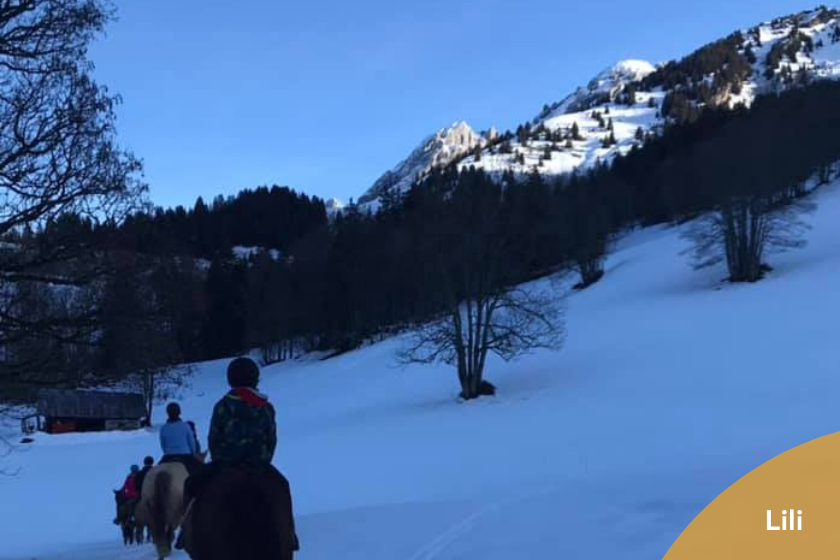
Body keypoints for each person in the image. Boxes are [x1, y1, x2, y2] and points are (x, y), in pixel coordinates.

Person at [176, 357, 298, 551]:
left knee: (191, 485)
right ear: (255, 380)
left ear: (230, 380)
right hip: (259, 466)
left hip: (225, 465)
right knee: (282, 486)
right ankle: (289, 534)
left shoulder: (223, 405)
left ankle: (186, 531)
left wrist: (219, 460)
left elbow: (214, 440)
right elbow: (271, 440)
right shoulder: (265, 407)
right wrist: (263, 461)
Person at [159, 402, 199, 475]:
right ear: (179, 412)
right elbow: (192, 443)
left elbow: (163, 445)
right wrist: (193, 453)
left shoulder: (163, 428)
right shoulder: (186, 426)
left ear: (168, 413)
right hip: (185, 456)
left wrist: (168, 452)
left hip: (168, 456)